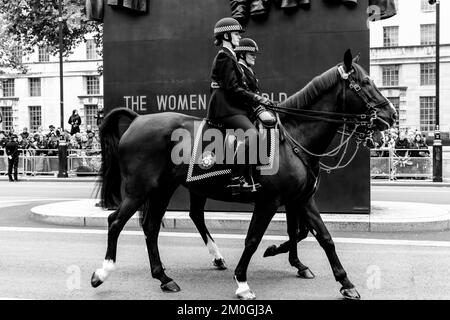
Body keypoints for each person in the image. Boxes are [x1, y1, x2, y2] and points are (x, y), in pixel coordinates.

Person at [206, 17, 275, 194]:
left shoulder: (230, 57)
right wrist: (257, 99)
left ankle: (249, 176)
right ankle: (236, 178)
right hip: (224, 109)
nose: (238, 37)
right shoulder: (224, 56)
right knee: (251, 134)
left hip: (231, 106)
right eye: (236, 34)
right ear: (227, 35)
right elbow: (233, 89)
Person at [235, 37, 276, 126]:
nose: (255, 56)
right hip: (244, 113)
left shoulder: (250, 71)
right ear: (242, 55)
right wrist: (260, 100)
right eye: (251, 54)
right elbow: (243, 94)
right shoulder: (239, 70)